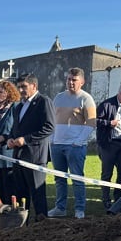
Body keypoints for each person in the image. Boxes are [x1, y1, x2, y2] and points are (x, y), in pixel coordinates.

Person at [48, 68, 96, 219]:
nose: (70, 82)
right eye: (68, 79)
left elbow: (91, 122)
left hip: (75, 147)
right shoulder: (58, 97)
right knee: (59, 179)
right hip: (57, 145)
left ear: (82, 82)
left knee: (77, 179)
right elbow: (52, 120)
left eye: (74, 80)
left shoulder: (86, 99)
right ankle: (60, 208)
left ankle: (79, 209)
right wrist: (52, 139)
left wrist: (79, 141)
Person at [7, 73, 55, 221]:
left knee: (37, 193)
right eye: (19, 87)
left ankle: (42, 225)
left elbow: (49, 127)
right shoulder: (19, 106)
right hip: (18, 155)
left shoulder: (43, 101)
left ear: (34, 86)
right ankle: (23, 222)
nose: (21, 90)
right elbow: (15, 128)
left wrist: (26, 140)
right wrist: (10, 139)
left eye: (24, 87)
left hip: (35, 156)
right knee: (21, 192)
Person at [96, 81, 121, 211]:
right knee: (107, 173)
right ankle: (106, 199)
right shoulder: (107, 104)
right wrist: (109, 123)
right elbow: (94, 120)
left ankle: (119, 198)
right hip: (109, 143)